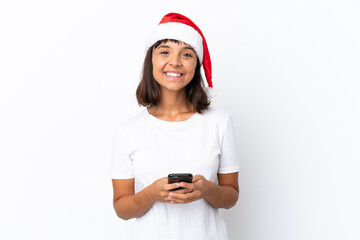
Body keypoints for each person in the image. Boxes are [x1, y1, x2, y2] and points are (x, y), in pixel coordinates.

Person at [111, 13, 239, 240]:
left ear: (196, 64)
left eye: (186, 54)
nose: (175, 62)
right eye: (165, 52)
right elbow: (122, 208)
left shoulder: (220, 122)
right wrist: (150, 194)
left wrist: (207, 190)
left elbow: (231, 196)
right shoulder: (128, 131)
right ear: (151, 60)